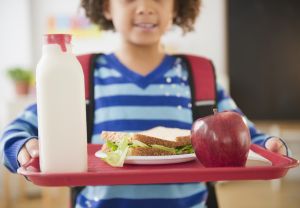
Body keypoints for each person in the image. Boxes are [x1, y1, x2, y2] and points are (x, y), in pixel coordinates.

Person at [0, 0, 290, 207]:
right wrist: (23, 147)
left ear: (176, 7)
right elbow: (17, 129)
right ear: (104, 6)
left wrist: (269, 146)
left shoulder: (199, 76)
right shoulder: (80, 74)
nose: (145, 6)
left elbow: (246, 136)